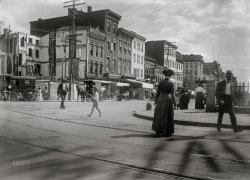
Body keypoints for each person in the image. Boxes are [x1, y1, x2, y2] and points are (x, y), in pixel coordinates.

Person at [152, 68, 176, 137]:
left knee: (159, 114)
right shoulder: (171, 83)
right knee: (167, 114)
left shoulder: (161, 82)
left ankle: (158, 130)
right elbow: (173, 94)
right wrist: (175, 103)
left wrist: (156, 100)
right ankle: (167, 131)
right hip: (168, 99)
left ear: (164, 75)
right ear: (170, 75)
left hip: (161, 98)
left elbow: (158, 93)